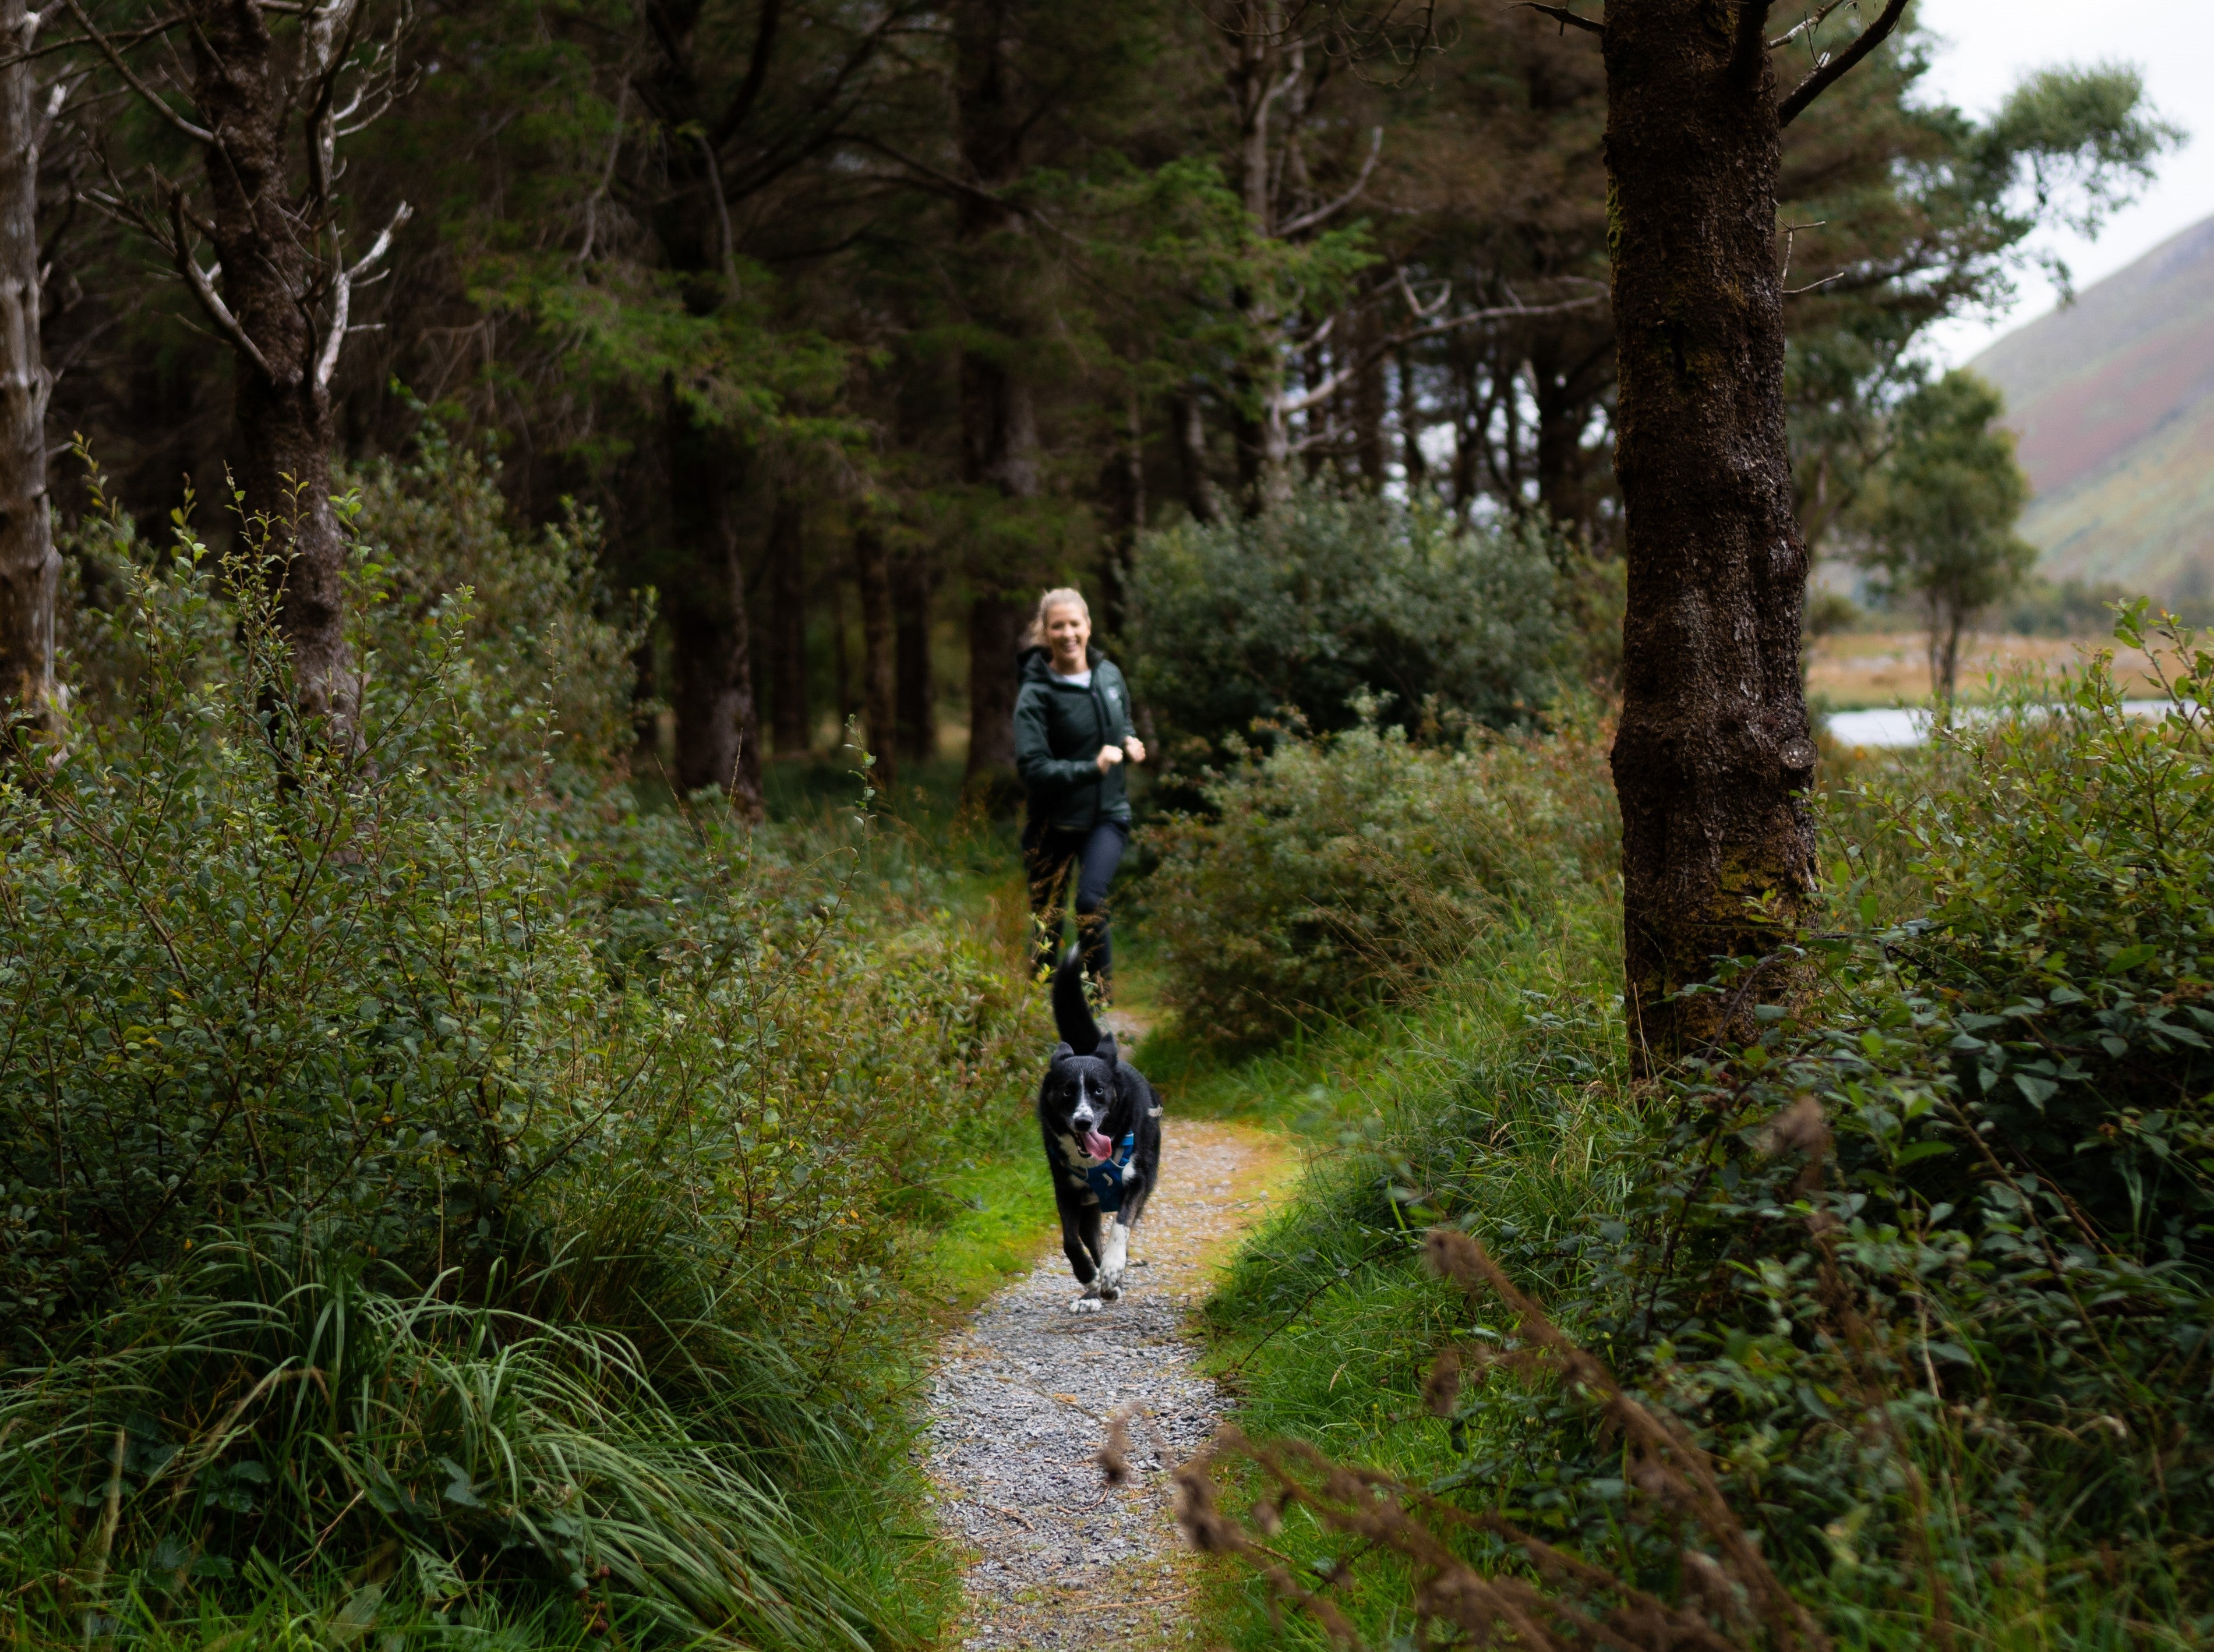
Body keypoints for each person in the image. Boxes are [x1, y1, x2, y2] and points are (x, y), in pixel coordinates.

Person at [1014, 588, 1145, 992]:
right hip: (1052, 822)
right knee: (1046, 921)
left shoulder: (1109, 675)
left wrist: (1129, 741)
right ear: (1045, 632)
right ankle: (1036, 1018)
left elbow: (1121, 721)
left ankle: (1099, 1006)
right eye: (1058, 625)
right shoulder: (1036, 694)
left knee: (1090, 902)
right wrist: (1093, 767)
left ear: (1088, 626)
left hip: (1107, 815)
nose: (1067, 633)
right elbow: (1033, 768)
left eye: (1075, 623)